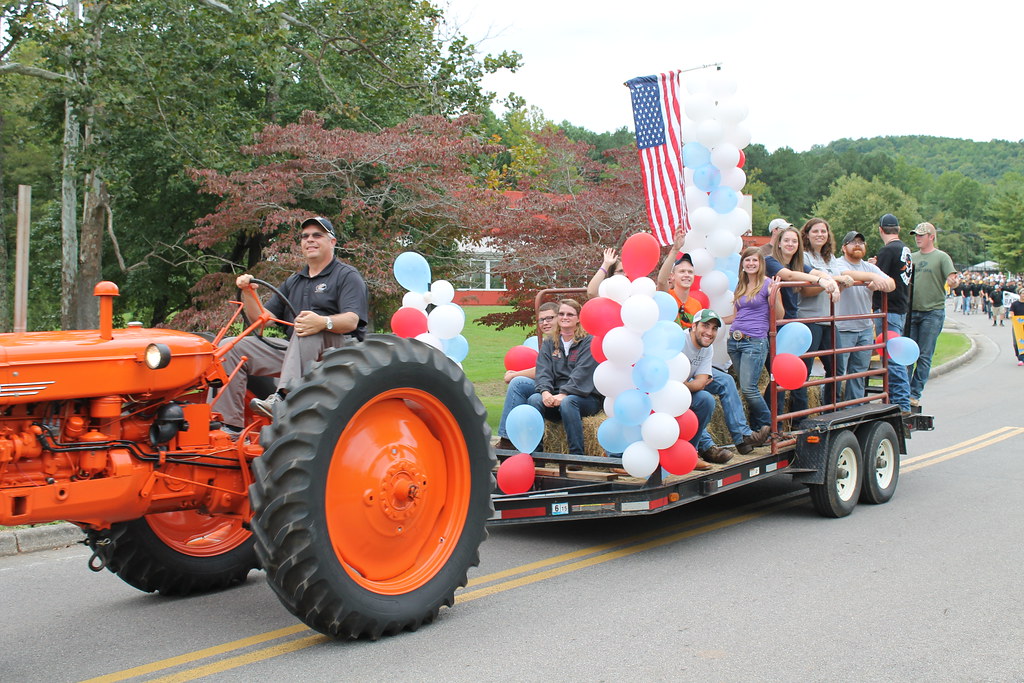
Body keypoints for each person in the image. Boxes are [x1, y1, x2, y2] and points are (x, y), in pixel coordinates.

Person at [217, 217, 369, 434]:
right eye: (305, 236)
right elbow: (260, 321)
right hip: (300, 349)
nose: (310, 240)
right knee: (231, 346)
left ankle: (282, 398)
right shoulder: (294, 281)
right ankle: (227, 425)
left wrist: (322, 322)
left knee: (306, 327)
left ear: (332, 242)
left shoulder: (347, 276)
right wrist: (249, 293)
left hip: (339, 352)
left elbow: (352, 320)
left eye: (317, 235)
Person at [720, 248, 784, 432]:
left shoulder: (768, 284)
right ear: (742, 264)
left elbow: (779, 316)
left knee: (749, 389)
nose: (751, 263)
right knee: (745, 389)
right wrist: (715, 319)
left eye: (754, 260)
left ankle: (770, 427)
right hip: (735, 341)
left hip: (754, 341)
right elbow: (735, 317)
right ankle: (761, 428)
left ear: (761, 263)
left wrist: (774, 296)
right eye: (747, 260)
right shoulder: (740, 285)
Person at [527, 299, 602, 455]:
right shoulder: (549, 343)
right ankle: (537, 455)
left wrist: (564, 394)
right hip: (555, 397)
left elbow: (582, 373)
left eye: (570, 314)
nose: (564, 317)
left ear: (578, 318)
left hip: (584, 398)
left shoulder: (588, 342)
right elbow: (543, 371)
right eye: (561, 314)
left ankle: (576, 456)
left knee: (568, 402)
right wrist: (545, 392)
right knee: (534, 400)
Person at [793, 218, 851, 416]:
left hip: (830, 320)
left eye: (823, 231)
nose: (820, 235)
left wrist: (839, 282)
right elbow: (805, 291)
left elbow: (837, 284)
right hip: (810, 320)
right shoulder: (803, 258)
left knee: (836, 368)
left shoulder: (830, 258)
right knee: (803, 371)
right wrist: (833, 281)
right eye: (815, 231)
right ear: (806, 234)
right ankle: (800, 417)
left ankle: (832, 412)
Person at [833, 231, 895, 403]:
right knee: (837, 374)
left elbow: (891, 283)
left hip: (865, 328)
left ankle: (854, 408)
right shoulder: (837, 264)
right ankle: (831, 408)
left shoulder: (869, 267)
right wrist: (873, 277)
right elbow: (847, 274)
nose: (858, 245)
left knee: (859, 373)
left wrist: (879, 283)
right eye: (852, 242)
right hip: (842, 327)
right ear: (844, 247)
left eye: (861, 241)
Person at [495, 302, 559, 450]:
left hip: (560, 389)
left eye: (550, 318)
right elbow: (542, 368)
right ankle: (518, 440)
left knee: (517, 383)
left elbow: (544, 370)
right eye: (541, 320)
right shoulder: (549, 342)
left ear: (559, 318)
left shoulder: (563, 340)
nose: (545, 323)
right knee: (527, 392)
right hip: (548, 386)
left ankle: (507, 439)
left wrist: (514, 375)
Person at [907, 222, 958, 406]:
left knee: (924, 354)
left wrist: (953, 281)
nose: (918, 238)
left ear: (931, 237)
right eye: (916, 235)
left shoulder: (941, 257)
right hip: (912, 311)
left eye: (922, 235)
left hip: (932, 312)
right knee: (907, 354)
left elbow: (952, 278)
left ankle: (914, 393)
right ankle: (903, 392)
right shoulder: (911, 257)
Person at [871, 213, 914, 412]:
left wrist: (871, 267)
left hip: (889, 308)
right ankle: (895, 402)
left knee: (893, 359)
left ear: (881, 230)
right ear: (897, 229)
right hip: (900, 307)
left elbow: (876, 279)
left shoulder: (888, 250)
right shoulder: (905, 249)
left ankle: (902, 405)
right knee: (894, 357)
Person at [679, 309, 731, 470]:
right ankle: (618, 456)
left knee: (706, 400)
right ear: (694, 326)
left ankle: (690, 454)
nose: (710, 332)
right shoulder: (680, 340)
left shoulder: (707, 348)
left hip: (681, 392)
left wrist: (684, 385)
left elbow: (701, 382)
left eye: (714, 328)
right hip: (659, 392)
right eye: (705, 326)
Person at [656, 230, 703, 328]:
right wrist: (675, 250)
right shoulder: (667, 295)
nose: (687, 275)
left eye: (690, 272)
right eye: (682, 271)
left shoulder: (697, 305)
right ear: (672, 276)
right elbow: (661, 281)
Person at [1010, 287, 1024, 366]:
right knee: (1017, 342)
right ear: (1020, 294)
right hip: (1017, 325)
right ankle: (1020, 357)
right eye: (1023, 293)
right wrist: (1012, 316)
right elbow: (1012, 312)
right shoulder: (1015, 304)